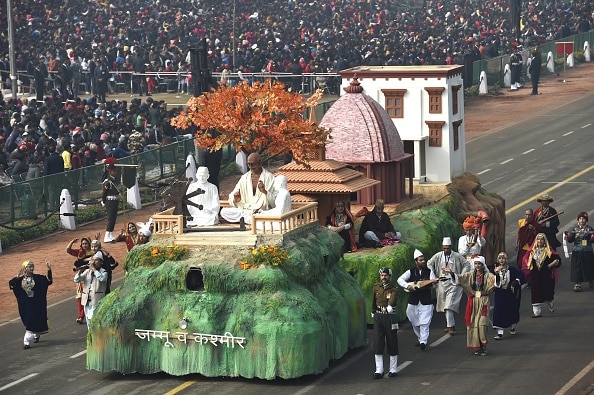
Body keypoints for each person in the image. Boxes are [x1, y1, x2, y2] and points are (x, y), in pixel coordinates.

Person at [444, 255, 495, 356]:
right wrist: (451, 273)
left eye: (479, 264)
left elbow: (495, 281)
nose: (477, 266)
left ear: (483, 264)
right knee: (473, 324)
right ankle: (477, 346)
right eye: (476, 263)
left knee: (482, 324)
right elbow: (460, 278)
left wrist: (497, 273)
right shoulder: (471, 275)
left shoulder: (488, 276)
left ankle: (483, 346)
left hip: (483, 301)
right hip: (473, 301)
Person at [396, 249, 438, 350]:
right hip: (413, 300)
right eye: (420, 260)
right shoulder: (410, 272)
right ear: (416, 261)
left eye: (423, 260)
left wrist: (435, 283)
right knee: (412, 319)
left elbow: (435, 286)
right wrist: (407, 286)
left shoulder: (429, 271)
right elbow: (399, 279)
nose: (423, 261)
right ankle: (420, 338)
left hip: (426, 300)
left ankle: (423, 341)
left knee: (425, 322)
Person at [426, 236, 468, 334]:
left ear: (451, 247)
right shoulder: (438, 256)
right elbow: (429, 263)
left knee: (449, 305)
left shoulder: (457, 256)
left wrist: (460, 276)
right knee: (445, 305)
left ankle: (450, 326)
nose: (446, 250)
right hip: (441, 283)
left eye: (448, 248)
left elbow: (466, 264)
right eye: (444, 248)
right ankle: (449, 324)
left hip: (453, 283)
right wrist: (432, 275)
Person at [220, 153, 276, 225]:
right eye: (248, 164)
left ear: (260, 163)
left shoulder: (269, 177)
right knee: (224, 212)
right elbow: (232, 196)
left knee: (265, 214)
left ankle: (251, 219)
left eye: (253, 164)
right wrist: (235, 198)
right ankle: (252, 219)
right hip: (246, 210)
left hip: (261, 211)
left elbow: (275, 200)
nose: (250, 167)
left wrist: (264, 191)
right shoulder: (244, 177)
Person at [9, 260, 53, 349]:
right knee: (30, 320)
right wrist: (17, 277)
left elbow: (48, 281)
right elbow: (12, 284)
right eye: (29, 267)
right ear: (24, 268)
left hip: (37, 304)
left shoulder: (38, 278)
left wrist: (49, 269)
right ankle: (34, 335)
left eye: (32, 266)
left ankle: (27, 341)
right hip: (25, 305)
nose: (32, 268)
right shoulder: (20, 280)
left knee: (34, 320)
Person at [371, 267, 399, 378]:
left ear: (390, 276)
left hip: (390, 316)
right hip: (379, 316)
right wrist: (373, 311)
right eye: (382, 275)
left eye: (386, 275)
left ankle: (392, 369)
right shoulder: (376, 287)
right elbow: (373, 300)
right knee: (378, 342)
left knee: (392, 341)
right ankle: (379, 370)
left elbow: (392, 298)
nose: (384, 277)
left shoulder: (394, 288)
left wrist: (390, 306)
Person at [491, 252, 526, 339]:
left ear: (506, 260)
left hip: (510, 294)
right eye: (500, 258)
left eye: (503, 258)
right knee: (498, 311)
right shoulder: (495, 270)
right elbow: (490, 279)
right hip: (499, 294)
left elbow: (521, 276)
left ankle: (512, 326)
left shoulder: (512, 270)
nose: (501, 260)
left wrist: (514, 283)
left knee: (511, 310)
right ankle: (500, 332)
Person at [526, 233, 560, 318]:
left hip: (546, 275)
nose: (539, 241)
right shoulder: (532, 251)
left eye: (541, 239)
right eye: (538, 239)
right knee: (535, 292)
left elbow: (557, 259)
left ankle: (550, 304)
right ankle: (537, 312)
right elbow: (525, 260)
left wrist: (550, 265)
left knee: (548, 292)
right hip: (535, 276)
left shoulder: (548, 251)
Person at [74, 251, 108, 329]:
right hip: (87, 301)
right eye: (93, 260)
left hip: (96, 301)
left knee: (95, 322)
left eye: (96, 260)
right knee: (89, 323)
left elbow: (102, 278)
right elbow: (76, 280)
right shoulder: (87, 271)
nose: (94, 262)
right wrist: (79, 272)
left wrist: (94, 270)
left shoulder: (104, 272)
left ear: (101, 262)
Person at [66, 237, 94, 324]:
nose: (84, 245)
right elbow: (68, 250)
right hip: (81, 276)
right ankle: (81, 316)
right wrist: (71, 242)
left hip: (91, 275)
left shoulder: (93, 252)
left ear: (89, 244)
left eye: (86, 243)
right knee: (80, 297)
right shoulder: (80, 252)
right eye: (83, 244)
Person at [564, 212, 594, 292]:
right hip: (577, 251)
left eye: (583, 219)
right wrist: (567, 236)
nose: (582, 220)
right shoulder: (575, 229)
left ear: (586, 220)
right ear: (578, 220)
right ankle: (577, 284)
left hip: (587, 251)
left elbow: (592, 240)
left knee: (589, 267)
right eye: (580, 218)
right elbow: (571, 240)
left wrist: (593, 237)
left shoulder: (590, 229)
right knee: (577, 268)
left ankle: (591, 280)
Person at [516, 208, 540, 278]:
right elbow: (519, 233)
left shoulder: (535, 224)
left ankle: (529, 279)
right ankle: (522, 276)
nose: (527, 216)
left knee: (529, 263)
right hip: (522, 245)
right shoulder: (521, 222)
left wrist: (533, 229)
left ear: (532, 216)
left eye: (529, 215)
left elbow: (538, 235)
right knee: (520, 262)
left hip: (530, 247)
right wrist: (516, 243)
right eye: (526, 215)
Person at [102, 157, 120, 243]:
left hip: (114, 200)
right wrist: (103, 201)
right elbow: (104, 192)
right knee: (111, 218)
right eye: (113, 171)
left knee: (114, 218)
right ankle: (107, 235)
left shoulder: (113, 180)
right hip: (110, 200)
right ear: (110, 171)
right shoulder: (107, 181)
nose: (115, 172)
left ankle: (110, 234)